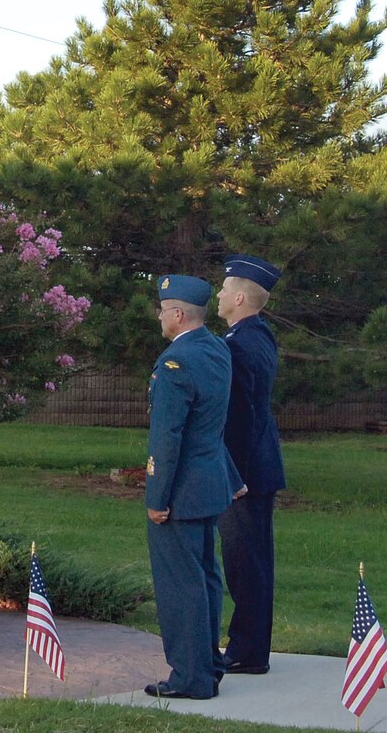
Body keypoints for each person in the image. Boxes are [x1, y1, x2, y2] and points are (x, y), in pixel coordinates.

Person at [143, 273, 244, 702]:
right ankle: (209, 665)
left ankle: (190, 677)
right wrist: (234, 478)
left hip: (180, 491)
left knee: (181, 584)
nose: (161, 318)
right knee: (205, 579)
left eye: (164, 311)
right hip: (209, 486)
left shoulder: (175, 363)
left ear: (178, 314)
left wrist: (156, 497)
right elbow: (212, 426)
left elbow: (168, 438)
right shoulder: (217, 350)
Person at [215, 253, 286, 676]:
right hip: (258, 467)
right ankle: (250, 647)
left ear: (240, 297)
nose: (219, 296)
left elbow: (241, 417)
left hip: (247, 472)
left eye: (224, 290)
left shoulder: (241, 344)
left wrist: (233, 475)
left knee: (245, 564)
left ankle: (246, 650)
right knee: (251, 561)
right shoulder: (257, 335)